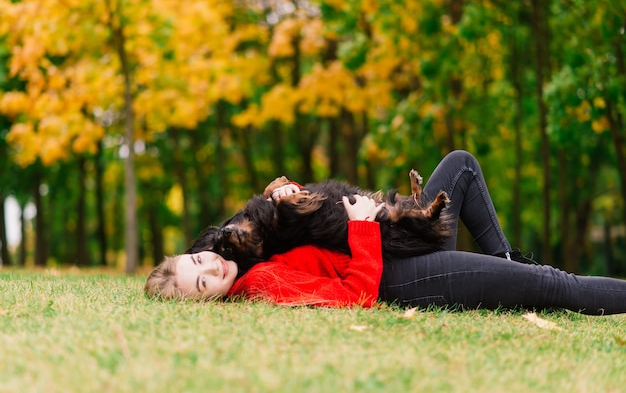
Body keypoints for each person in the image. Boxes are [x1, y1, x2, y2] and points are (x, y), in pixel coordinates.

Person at [145, 150, 626, 315]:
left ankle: (501, 264)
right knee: (552, 285)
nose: (211, 266)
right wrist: (360, 226)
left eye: (197, 260)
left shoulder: (234, 257)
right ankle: (509, 272)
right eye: (203, 282)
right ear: (206, 302)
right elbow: (357, 296)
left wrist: (287, 196)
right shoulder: (260, 286)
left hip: (394, 244)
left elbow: (266, 225)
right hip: (396, 276)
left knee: (460, 167)